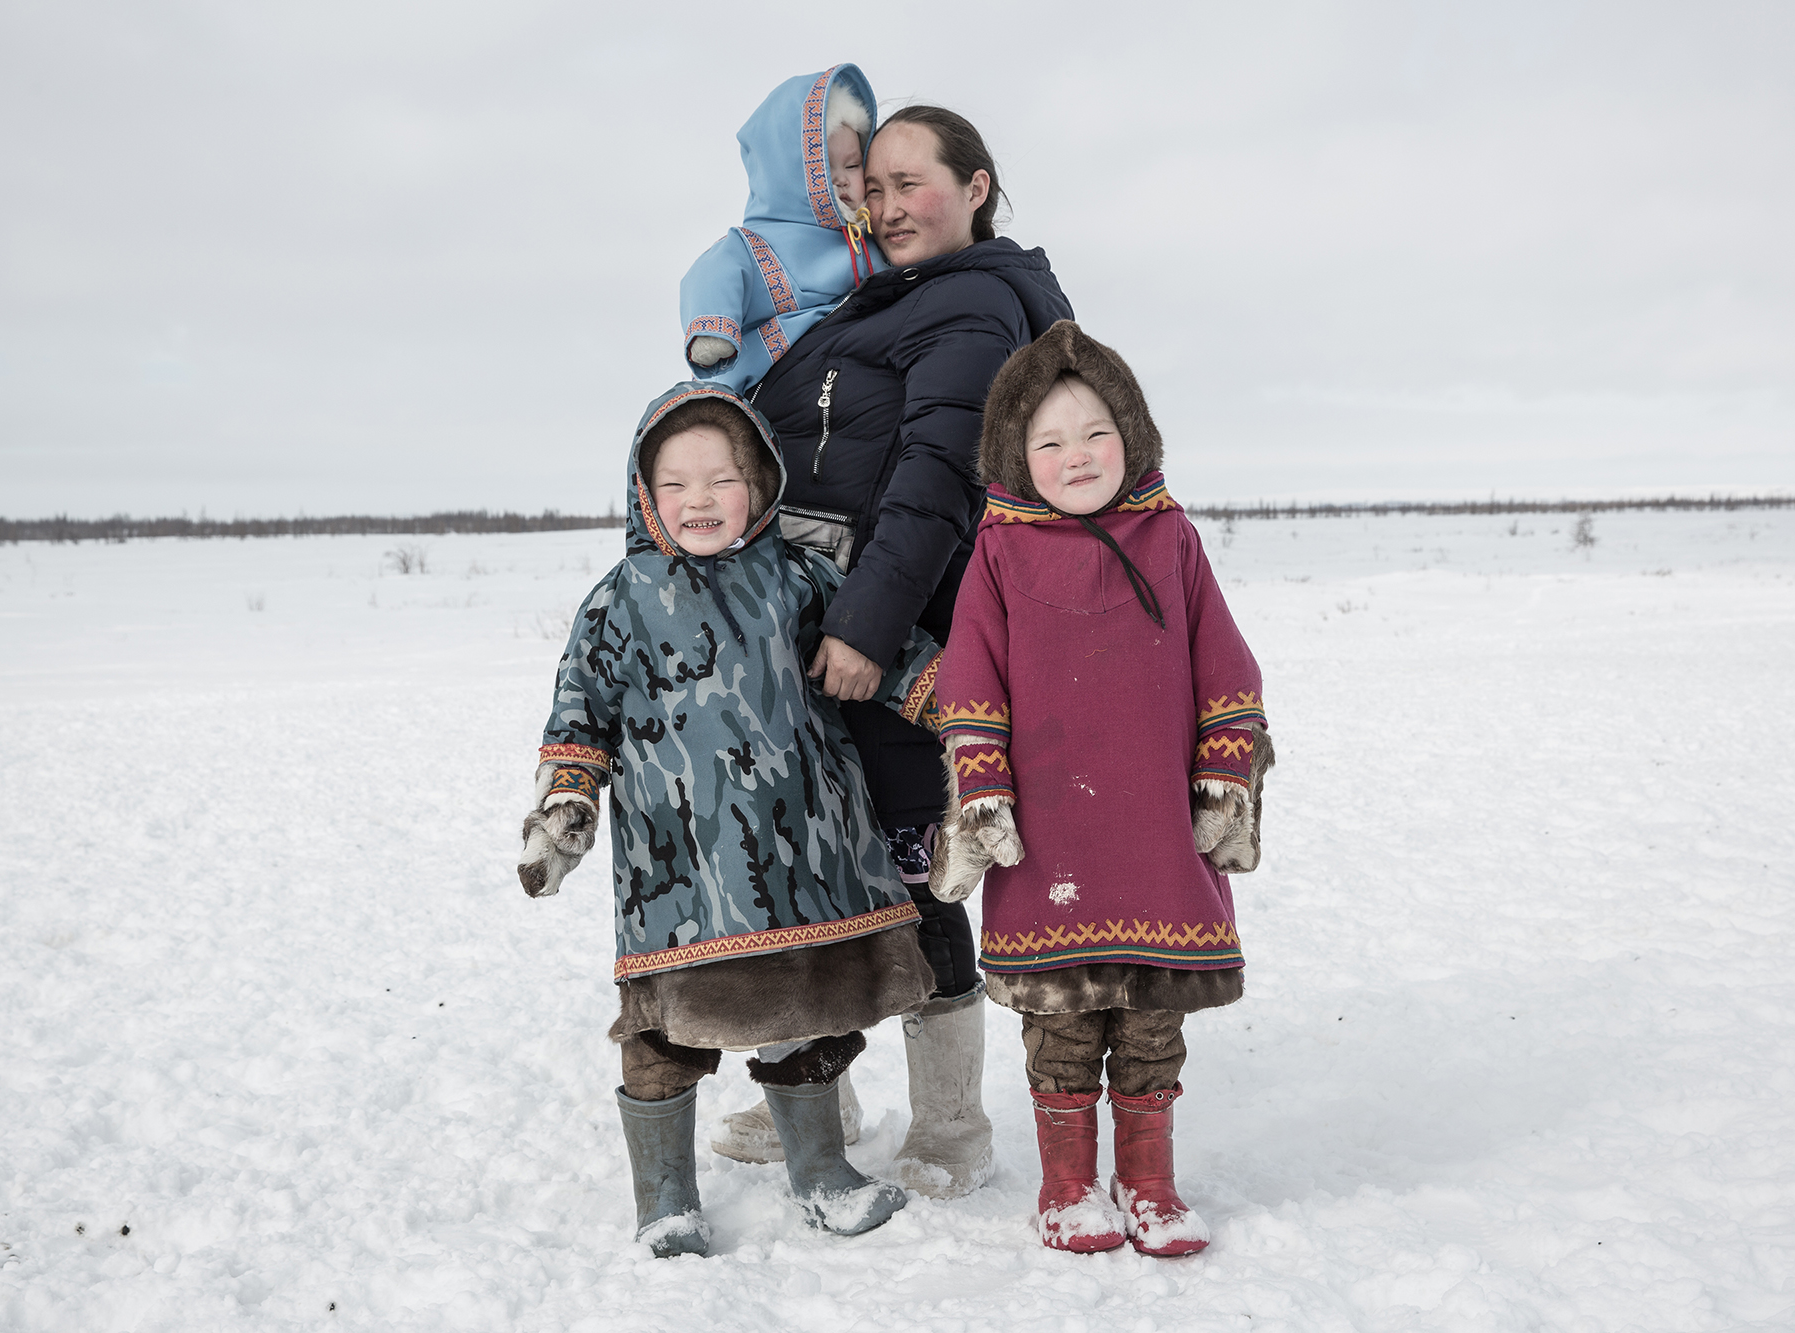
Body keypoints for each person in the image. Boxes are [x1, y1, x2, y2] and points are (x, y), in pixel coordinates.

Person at [710, 103, 1075, 1200]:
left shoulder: (972, 305)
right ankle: (820, 1094)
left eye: (912, 181)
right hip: (808, 629)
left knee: (915, 879)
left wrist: (866, 628)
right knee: (815, 868)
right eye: (871, 186)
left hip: (894, 633)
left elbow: (935, 473)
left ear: (975, 186)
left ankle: (951, 1127)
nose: (886, 204)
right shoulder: (875, 305)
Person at [515, 382, 944, 1255]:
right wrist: (565, 799)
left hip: (807, 860)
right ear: (643, 494)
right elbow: (578, 712)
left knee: (810, 1009)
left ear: (761, 482)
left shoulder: (799, 577)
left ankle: (823, 1173)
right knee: (667, 1029)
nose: (699, 500)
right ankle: (666, 1196)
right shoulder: (617, 601)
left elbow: (889, 651)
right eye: (675, 483)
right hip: (677, 871)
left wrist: (968, 715)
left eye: (721, 478)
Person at [926, 321, 1275, 1257]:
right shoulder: (997, 555)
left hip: (1156, 833)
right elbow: (971, 680)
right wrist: (983, 791)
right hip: (1051, 837)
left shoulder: (1172, 537)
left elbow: (1226, 666)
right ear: (1013, 453)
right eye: (1048, 441)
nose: (1075, 456)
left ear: (1133, 436)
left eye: (1094, 435)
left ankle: (1150, 1182)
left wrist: (1224, 781)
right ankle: (1068, 1184)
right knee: (1065, 1022)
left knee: (1152, 1021)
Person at [679, 65, 882, 396]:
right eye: (825, 165)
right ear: (788, 172)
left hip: (848, 369)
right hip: (767, 372)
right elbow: (713, 272)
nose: (841, 178)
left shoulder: (869, 238)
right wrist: (714, 330)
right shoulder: (759, 244)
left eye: (852, 164)